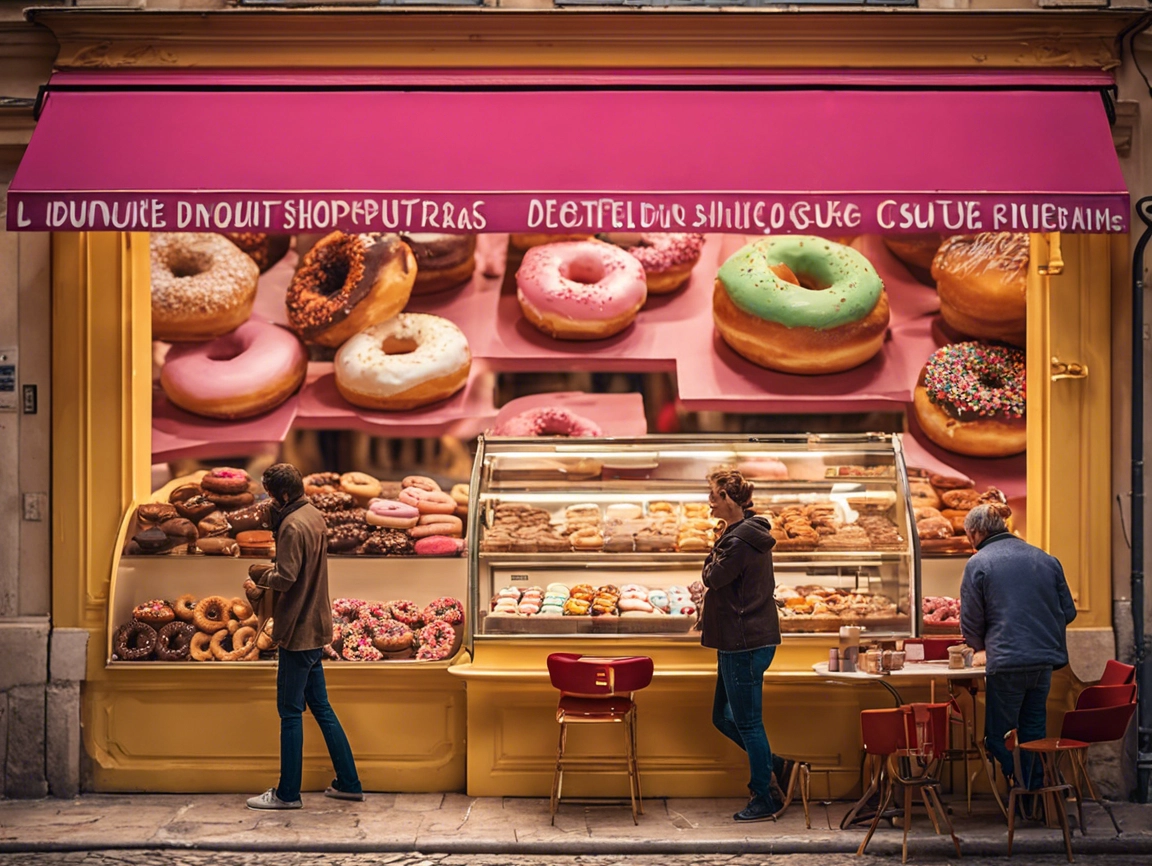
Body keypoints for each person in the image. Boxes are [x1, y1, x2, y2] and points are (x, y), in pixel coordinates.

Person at [243, 462, 363, 810]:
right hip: (316, 625)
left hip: (297, 629)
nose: (267, 500)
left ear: (282, 494)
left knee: (290, 712)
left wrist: (260, 576)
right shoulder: (311, 513)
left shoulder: (293, 526)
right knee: (322, 707)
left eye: (269, 493)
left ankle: (287, 793)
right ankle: (349, 782)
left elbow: (287, 578)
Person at [960, 503, 1076, 790]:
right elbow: (1069, 612)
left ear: (976, 532)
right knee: (1034, 731)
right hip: (1044, 662)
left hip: (1006, 662)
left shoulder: (978, 563)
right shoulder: (1046, 559)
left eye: (967, 535)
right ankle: (1035, 794)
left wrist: (980, 647)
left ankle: (1020, 783)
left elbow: (971, 622)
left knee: (996, 736)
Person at [700, 469, 783, 822]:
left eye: (715, 496)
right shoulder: (743, 534)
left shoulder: (737, 542)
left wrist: (710, 556)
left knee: (748, 723)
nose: (710, 501)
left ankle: (765, 797)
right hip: (741, 639)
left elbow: (712, 577)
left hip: (743, 641)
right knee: (722, 717)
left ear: (730, 501)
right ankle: (778, 765)